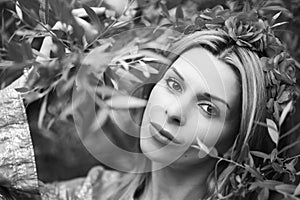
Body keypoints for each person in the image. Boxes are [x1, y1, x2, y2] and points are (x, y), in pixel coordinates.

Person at [0, 4, 298, 200]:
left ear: (238, 141)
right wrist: (26, 92)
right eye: (174, 84)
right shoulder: (95, 191)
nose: (173, 111)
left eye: (209, 108)